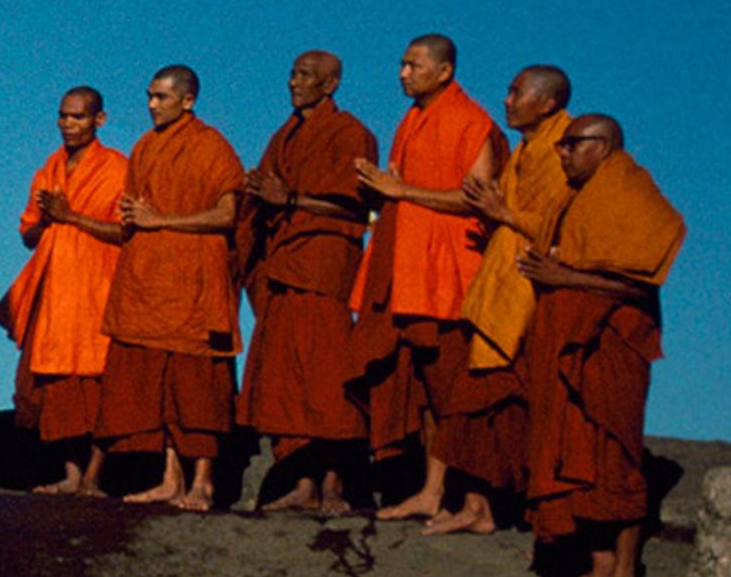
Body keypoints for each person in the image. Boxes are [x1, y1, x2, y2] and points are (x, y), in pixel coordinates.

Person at [519, 115, 686, 577]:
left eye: (573, 144)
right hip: (567, 343)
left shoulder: (633, 193)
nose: (562, 153)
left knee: (615, 454)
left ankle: (625, 574)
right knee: (576, 452)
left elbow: (640, 283)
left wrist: (565, 278)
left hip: (612, 345)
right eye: (562, 145)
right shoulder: (577, 196)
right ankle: (596, 566)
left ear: (605, 146)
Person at [353, 33, 498, 522]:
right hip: (412, 272)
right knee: (427, 391)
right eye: (402, 64)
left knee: (456, 390)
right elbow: (403, 193)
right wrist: (383, 193)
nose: (403, 73)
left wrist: (402, 190)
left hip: (450, 273)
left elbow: (474, 198)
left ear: (445, 71)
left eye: (413, 65)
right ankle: (433, 491)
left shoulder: (471, 120)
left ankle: (474, 502)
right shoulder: (412, 120)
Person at [430, 65, 577, 536]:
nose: (507, 99)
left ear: (549, 102)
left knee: (509, 401)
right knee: (476, 399)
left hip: (532, 291)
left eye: (517, 92)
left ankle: (501, 506)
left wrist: (502, 212)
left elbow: (569, 232)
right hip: (500, 286)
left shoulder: (565, 152)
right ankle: (478, 506)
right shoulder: (525, 150)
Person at [235, 50, 375, 513]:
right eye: (292, 73)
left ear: (331, 84)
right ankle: (301, 482)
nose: (294, 82)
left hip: (323, 265)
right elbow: (266, 199)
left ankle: (335, 484)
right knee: (282, 376)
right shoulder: (284, 136)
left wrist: (290, 198)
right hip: (284, 265)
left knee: (327, 376)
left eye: (306, 75)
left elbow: (358, 207)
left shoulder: (352, 133)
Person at [103, 65, 246, 510]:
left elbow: (227, 215)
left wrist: (161, 220)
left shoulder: (210, 145)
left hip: (194, 283)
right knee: (157, 383)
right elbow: (135, 214)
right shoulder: (144, 147)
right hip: (149, 281)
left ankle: (202, 483)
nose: (151, 105)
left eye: (161, 97)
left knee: (197, 385)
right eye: (149, 96)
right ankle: (170, 478)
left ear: (187, 101)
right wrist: (135, 217)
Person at [0, 86, 129, 494]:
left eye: (78, 117)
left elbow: (127, 231)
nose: (68, 125)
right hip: (53, 291)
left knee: (95, 384)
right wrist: (47, 221)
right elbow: (28, 233)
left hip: (95, 289)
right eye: (63, 116)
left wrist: (70, 216)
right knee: (53, 390)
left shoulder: (117, 168)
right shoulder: (49, 169)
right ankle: (71, 474)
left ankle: (94, 476)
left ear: (99, 120)